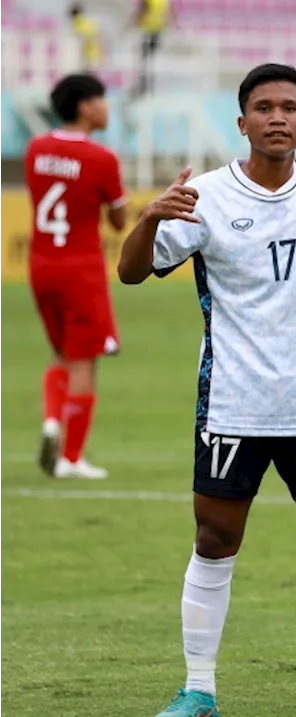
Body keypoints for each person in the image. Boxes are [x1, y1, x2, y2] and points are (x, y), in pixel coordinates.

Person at [116, 63, 296, 717]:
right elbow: (130, 272)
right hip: (233, 404)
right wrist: (152, 218)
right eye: (262, 107)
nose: (276, 117)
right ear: (241, 122)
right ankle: (199, 688)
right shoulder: (206, 194)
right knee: (213, 540)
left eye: (288, 107)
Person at [25, 72, 127, 480]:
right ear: (85, 106)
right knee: (85, 360)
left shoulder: (36, 148)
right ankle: (71, 457)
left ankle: (51, 419)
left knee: (60, 353)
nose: (107, 108)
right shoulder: (101, 158)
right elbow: (119, 222)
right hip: (80, 267)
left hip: (41, 263)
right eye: (102, 100)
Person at [68, 4, 102, 70]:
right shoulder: (91, 22)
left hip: (86, 56)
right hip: (94, 54)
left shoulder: (77, 23)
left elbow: (78, 38)